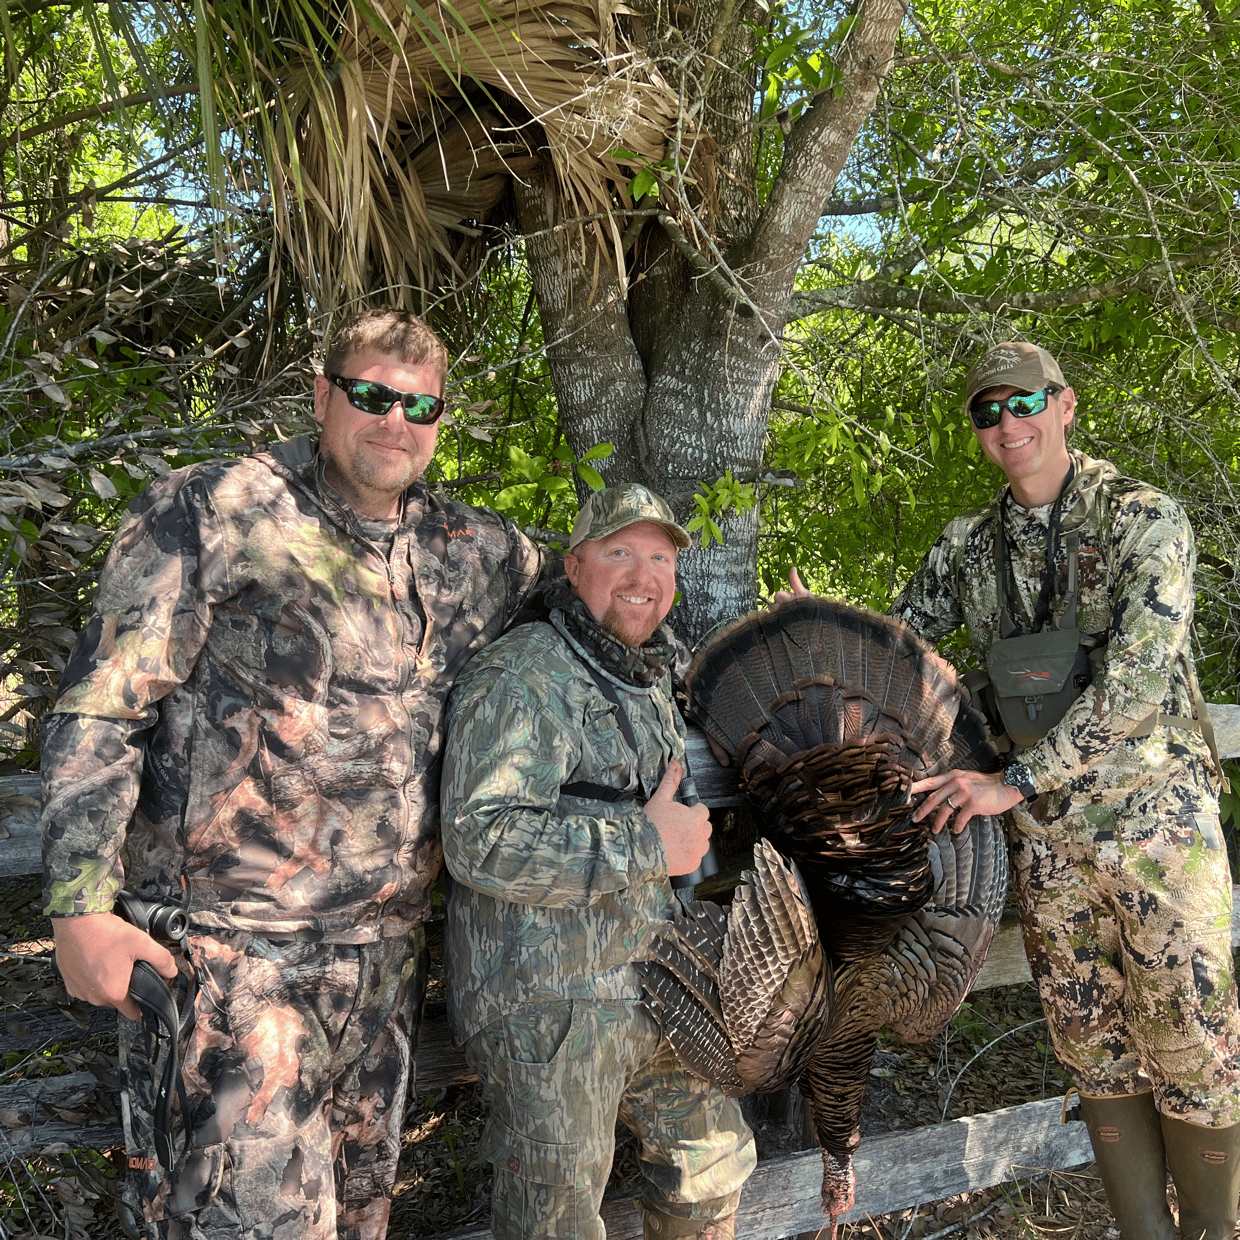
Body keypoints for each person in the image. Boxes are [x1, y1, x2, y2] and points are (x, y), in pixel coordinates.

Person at [41, 306, 560, 1240]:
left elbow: (608, 604)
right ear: (322, 396)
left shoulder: (476, 554)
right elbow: (103, 704)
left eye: (419, 406)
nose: (393, 421)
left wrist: (769, 678)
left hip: (384, 962)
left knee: (360, 1222)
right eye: (369, 395)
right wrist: (79, 905)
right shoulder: (213, 509)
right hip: (231, 963)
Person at [890, 341, 1240, 1240]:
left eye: (1026, 402)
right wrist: (822, 631)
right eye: (988, 411)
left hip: (1157, 834)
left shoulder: (1143, 519)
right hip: (1049, 849)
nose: (1009, 424)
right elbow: (897, 648)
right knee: (1096, 1052)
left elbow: (1138, 682)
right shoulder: (968, 548)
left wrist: (1015, 780)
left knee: (1194, 1044)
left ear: (1066, 405)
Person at [440, 483, 757, 1240]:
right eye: (620, 553)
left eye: (659, 556)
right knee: (558, 1216)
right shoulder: (524, 675)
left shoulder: (643, 676)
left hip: (650, 980)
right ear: (577, 565)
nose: (642, 574)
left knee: (712, 1169)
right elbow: (478, 838)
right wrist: (648, 844)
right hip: (546, 1000)